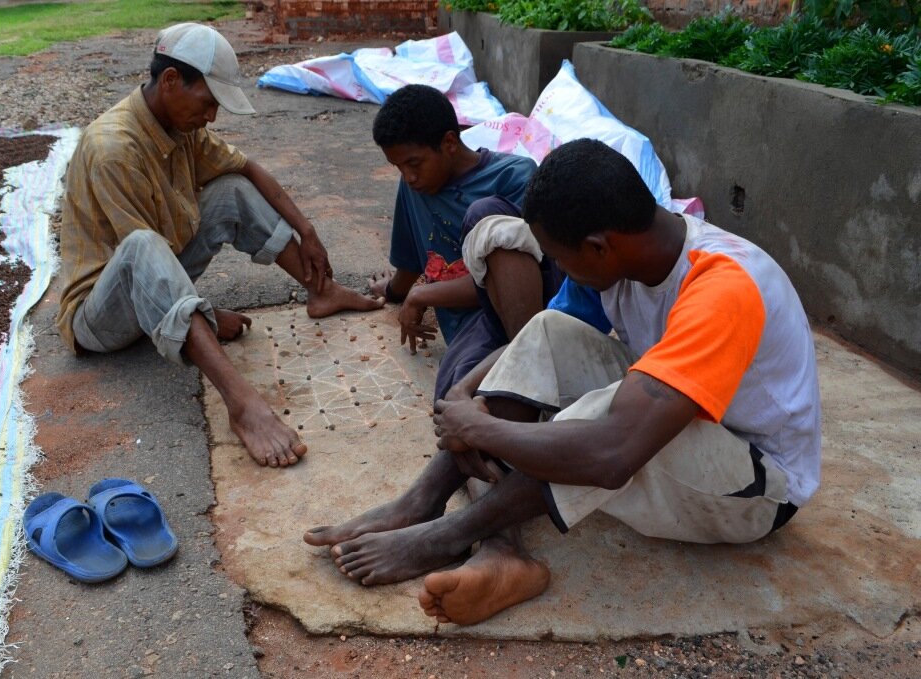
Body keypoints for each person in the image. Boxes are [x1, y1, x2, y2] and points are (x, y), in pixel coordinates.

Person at [305, 139, 821, 626]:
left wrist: (480, 430)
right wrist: (466, 393)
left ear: (598, 246)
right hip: (700, 439)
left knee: (614, 420)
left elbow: (614, 453)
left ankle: (448, 534)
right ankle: (448, 515)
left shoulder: (723, 285)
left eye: (560, 257)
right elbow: (537, 338)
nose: (557, 267)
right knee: (552, 331)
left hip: (757, 490)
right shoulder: (625, 256)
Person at [55, 23, 381, 469]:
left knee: (231, 188)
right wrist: (202, 317)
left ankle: (321, 292)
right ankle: (242, 405)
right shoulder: (114, 149)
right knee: (143, 244)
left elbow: (247, 168)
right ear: (171, 82)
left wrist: (307, 230)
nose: (212, 117)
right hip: (100, 318)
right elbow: (145, 264)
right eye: (208, 102)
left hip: (155, 282)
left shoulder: (179, 125)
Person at [363, 84, 603, 401]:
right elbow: (409, 260)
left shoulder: (512, 177)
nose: (408, 177)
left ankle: (531, 364)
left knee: (485, 214)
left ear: (449, 142)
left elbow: (517, 280)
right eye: (399, 167)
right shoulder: (413, 188)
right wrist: (396, 292)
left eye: (414, 163)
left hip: (520, 312)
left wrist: (422, 295)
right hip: (474, 329)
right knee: (451, 400)